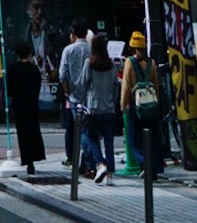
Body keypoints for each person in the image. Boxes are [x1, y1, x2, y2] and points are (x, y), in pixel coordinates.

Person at [121, 33, 165, 176]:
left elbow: (126, 86)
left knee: (134, 140)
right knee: (152, 138)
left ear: (133, 48)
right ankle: (155, 166)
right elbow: (156, 86)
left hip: (137, 106)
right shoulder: (151, 63)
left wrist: (122, 105)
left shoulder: (129, 62)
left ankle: (145, 163)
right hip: (151, 106)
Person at [83, 33, 120, 185]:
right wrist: (114, 102)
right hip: (109, 109)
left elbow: (84, 83)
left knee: (92, 138)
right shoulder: (111, 65)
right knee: (109, 143)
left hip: (94, 109)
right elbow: (116, 86)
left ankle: (100, 164)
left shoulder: (89, 63)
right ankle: (110, 176)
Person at [7, 40, 47, 175]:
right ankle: (33, 159)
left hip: (19, 106)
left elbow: (9, 89)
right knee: (33, 132)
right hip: (32, 105)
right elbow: (37, 87)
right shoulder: (34, 69)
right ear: (29, 53)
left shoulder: (13, 69)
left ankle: (27, 160)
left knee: (22, 134)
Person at [58, 19, 92, 167]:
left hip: (74, 96)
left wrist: (67, 92)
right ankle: (84, 161)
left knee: (81, 130)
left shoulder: (68, 50)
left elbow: (62, 75)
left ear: (73, 33)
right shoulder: (92, 50)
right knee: (87, 130)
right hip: (90, 95)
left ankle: (88, 163)